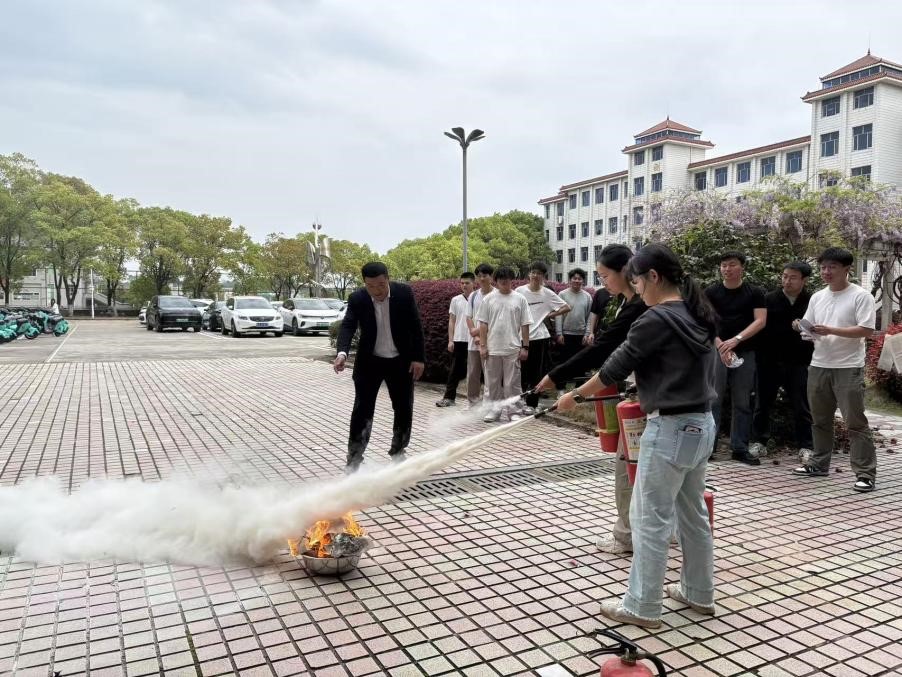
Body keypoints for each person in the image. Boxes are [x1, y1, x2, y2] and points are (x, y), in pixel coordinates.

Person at [558, 243, 718, 628]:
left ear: (654, 277)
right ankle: (699, 593)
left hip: (670, 429)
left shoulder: (655, 318)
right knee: (692, 514)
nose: (637, 290)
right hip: (702, 424)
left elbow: (614, 367)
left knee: (649, 518)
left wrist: (575, 396)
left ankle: (642, 606)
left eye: (638, 282)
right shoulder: (697, 313)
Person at [537, 245, 646, 554]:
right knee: (644, 467)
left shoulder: (639, 308)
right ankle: (665, 529)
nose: (602, 283)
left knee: (627, 465)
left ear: (626, 270)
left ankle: (626, 536)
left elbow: (604, 350)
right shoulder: (628, 303)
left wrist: (561, 380)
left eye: (605, 276)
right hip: (648, 394)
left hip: (649, 399)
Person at [793, 248, 877, 492]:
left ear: (846, 269)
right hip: (819, 364)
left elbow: (866, 330)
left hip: (848, 366)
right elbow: (809, 326)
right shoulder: (818, 296)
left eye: (832, 267)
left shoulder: (861, 296)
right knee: (819, 420)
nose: (826, 272)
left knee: (855, 422)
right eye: (823, 268)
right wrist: (802, 327)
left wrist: (830, 330)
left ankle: (865, 474)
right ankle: (819, 464)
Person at [334, 262, 425, 473]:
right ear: (364, 284)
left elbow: (416, 326)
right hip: (369, 363)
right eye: (371, 286)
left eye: (381, 285)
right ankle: (354, 458)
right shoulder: (358, 298)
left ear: (388, 279)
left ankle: (398, 451)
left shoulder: (403, 293)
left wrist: (419, 358)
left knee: (404, 409)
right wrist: (342, 353)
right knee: (362, 412)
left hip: (400, 362)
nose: (377, 291)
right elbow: (348, 325)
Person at [704, 252, 767, 466]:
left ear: (742, 267)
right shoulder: (711, 292)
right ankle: (707, 448)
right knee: (713, 399)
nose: (727, 269)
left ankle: (739, 447)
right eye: (724, 265)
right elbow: (705, 322)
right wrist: (721, 344)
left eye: (732, 265)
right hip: (717, 351)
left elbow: (760, 321)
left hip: (745, 351)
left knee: (743, 401)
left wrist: (736, 340)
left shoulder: (755, 292)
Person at [751, 262, 814, 461]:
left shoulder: (812, 301)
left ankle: (806, 446)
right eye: (785, 276)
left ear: (804, 280)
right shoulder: (768, 299)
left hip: (798, 361)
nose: (787, 281)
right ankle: (759, 442)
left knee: (801, 405)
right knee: (763, 403)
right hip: (769, 360)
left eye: (793, 277)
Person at [476, 266, 532, 423]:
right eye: (501, 279)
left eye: (507, 279)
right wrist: (483, 346)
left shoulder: (520, 299)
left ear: (511, 280)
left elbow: (525, 324)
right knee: (492, 383)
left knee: (512, 384)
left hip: (512, 348)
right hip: (492, 348)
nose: (504, 282)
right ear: (496, 281)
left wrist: (525, 346)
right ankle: (494, 410)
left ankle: (514, 411)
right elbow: (483, 325)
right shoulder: (488, 299)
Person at [515, 261, 570, 413]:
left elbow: (566, 307)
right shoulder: (520, 291)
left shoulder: (547, 293)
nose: (535, 275)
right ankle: (519, 402)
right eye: (533, 272)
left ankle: (532, 404)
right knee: (520, 372)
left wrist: (549, 315)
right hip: (521, 337)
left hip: (540, 338)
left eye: (539, 273)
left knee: (536, 373)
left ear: (543, 276)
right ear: (529, 274)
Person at [436, 272, 476, 407]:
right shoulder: (456, 300)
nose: (464, 285)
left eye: (467, 283)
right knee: (454, 370)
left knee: (476, 371)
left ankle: (476, 401)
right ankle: (449, 397)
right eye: (462, 283)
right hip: (459, 339)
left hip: (475, 340)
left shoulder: (479, 298)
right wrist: (451, 340)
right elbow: (452, 321)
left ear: (473, 283)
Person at [465, 263, 495, 406]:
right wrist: (475, 335)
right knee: (472, 374)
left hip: (491, 341)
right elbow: (468, 316)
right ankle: (473, 404)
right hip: (474, 342)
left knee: (490, 374)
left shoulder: (497, 295)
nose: (482, 279)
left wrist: (478, 332)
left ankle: (488, 404)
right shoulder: (473, 295)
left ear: (491, 277)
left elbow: (495, 320)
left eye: (485, 275)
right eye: (479, 276)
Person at [555, 268, 593, 363]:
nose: (577, 281)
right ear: (570, 280)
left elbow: (589, 317)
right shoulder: (562, 295)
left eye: (579, 279)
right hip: (565, 335)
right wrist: (559, 333)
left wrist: (587, 334)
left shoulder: (587, 297)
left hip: (581, 335)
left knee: (579, 363)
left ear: (583, 281)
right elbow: (558, 315)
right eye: (574, 278)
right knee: (565, 362)